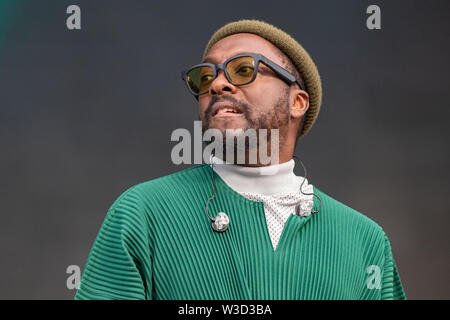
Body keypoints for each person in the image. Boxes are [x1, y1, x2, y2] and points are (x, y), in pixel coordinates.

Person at [75, 19, 406, 300]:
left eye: (244, 69)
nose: (217, 84)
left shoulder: (364, 241)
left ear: (297, 102)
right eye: (204, 78)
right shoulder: (143, 215)